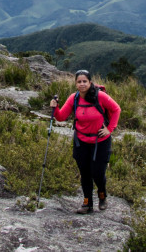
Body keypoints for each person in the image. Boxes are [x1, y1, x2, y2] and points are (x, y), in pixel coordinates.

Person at [50, 69, 121, 214]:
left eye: (85, 81)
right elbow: (61, 117)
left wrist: (109, 129)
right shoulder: (73, 98)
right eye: (79, 82)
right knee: (85, 173)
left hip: (100, 141)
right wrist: (55, 108)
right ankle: (87, 202)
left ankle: (102, 195)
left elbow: (116, 109)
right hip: (81, 141)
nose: (82, 84)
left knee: (98, 172)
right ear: (75, 83)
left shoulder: (100, 96)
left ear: (90, 83)